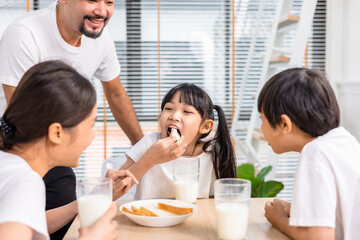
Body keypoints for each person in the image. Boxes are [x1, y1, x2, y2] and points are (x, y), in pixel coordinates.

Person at [0, 1, 143, 238]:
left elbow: (32, 224)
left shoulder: (19, 177)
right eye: (89, 124)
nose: (101, 10)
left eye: (109, 2)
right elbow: (24, 115)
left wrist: (92, 199)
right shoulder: (23, 181)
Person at [258, 68, 360, 240]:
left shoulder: (315, 154)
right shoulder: (345, 141)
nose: (261, 129)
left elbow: (319, 237)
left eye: (262, 119)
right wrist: (296, 209)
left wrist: (279, 220)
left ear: (284, 124)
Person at [108, 83, 237, 199]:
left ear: (205, 126)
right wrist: (150, 159)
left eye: (186, 111)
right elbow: (111, 194)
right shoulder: (150, 143)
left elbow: (219, 200)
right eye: (169, 108)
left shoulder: (212, 154)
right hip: (150, 220)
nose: (174, 116)